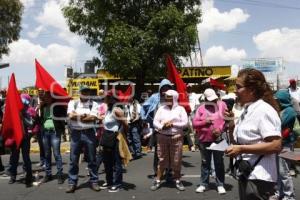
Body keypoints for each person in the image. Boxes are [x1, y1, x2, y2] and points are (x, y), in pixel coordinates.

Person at [225, 68, 282, 200]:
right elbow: (237, 142)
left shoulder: (263, 110)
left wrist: (241, 149)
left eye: (238, 87)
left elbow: (275, 145)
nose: (234, 90)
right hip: (246, 173)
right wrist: (231, 124)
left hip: (260, 177)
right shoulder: (248, 110)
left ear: (251, 90)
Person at [151, 90, 188, 191]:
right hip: (162, 136)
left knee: (176, 159)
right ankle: (158, 179)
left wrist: (172, 124)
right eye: (166, 97)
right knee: (162, 159)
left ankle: (177, 180)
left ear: (174, 98)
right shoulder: (161, 109)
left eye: (169, 97)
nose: (166, 99)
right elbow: (155, 122)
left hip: (176, 137)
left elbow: (185, 123)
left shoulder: (181, 109)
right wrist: (162, 126)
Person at [192, 88, 227, 194]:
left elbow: (226, 120)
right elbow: (194, 123)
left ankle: (220, 184)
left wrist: (220, 129)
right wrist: (204, 122)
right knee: (205, 162)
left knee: (219, 162)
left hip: (218, 138)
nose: (213, 101)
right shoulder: (201, 108)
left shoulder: (222, 105)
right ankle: (204, 184)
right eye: (210, 100)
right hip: (204, 139)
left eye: (214, 99)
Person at [66, 86, 100, 193]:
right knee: (73, 159)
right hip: (76, 133)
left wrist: (78, 116)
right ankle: (72, 182)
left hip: (89, 133)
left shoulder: (94, 104)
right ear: (80, 92)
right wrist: (85, 116)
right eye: (83, 91)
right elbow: (70, 116)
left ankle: (94, 181)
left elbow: (93, 118)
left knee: (92, 159)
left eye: (87, 91)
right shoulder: (73, 103)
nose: (85, 93)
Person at [140, 79, 173, 177]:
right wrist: (144, 118)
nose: (165, 90)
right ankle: (157, 171)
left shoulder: (172, 97)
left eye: (167, 88)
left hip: (170, 128)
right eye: (163, 88)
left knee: (169, 151)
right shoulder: (155, 97)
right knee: (158, 151)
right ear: (160, 88)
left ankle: (169, 170)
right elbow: (144, 106)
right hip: (158, 128)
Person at [100, 89, 128, 193]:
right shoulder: (108, 109)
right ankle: (109, 181)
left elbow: (125, 123)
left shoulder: (116, 110)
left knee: (117, 163)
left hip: (115, 138)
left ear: (112, 99)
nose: (104, 98)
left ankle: (118, 184)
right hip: (107, 137)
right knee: (107, 162)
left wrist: (123, 135)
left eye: (106, 97)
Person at [7, 93, 35, 187]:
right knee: (14, 157)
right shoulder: (13, 111)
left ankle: (29, 175)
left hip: (25, 138)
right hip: (15, 138)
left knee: (26, 157)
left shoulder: (28, 111)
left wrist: (22, 117)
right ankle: (13, 176)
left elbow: (31, 124)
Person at [37, 91, 64, 184]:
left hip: (55, 132)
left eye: (48, 97)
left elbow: (63, 116)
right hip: (45, 132)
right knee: (47, 154)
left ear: (52, 98)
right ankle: (48, 174)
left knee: (57, 154)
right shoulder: (43, 107)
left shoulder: (57, 106)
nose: (46, 98)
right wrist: (39, 108)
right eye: (45, 97)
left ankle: (60, 174)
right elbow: (38, 120)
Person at [274, 89, 296, 200]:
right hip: (279, 144)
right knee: (278, 171)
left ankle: (289, 196)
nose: (276, 102)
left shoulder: (290, 111)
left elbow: (279, 124)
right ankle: (280, 193)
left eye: (277, 100)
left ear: (282, 100)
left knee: (284, 171)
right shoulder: (282, 110)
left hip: (286, 144)